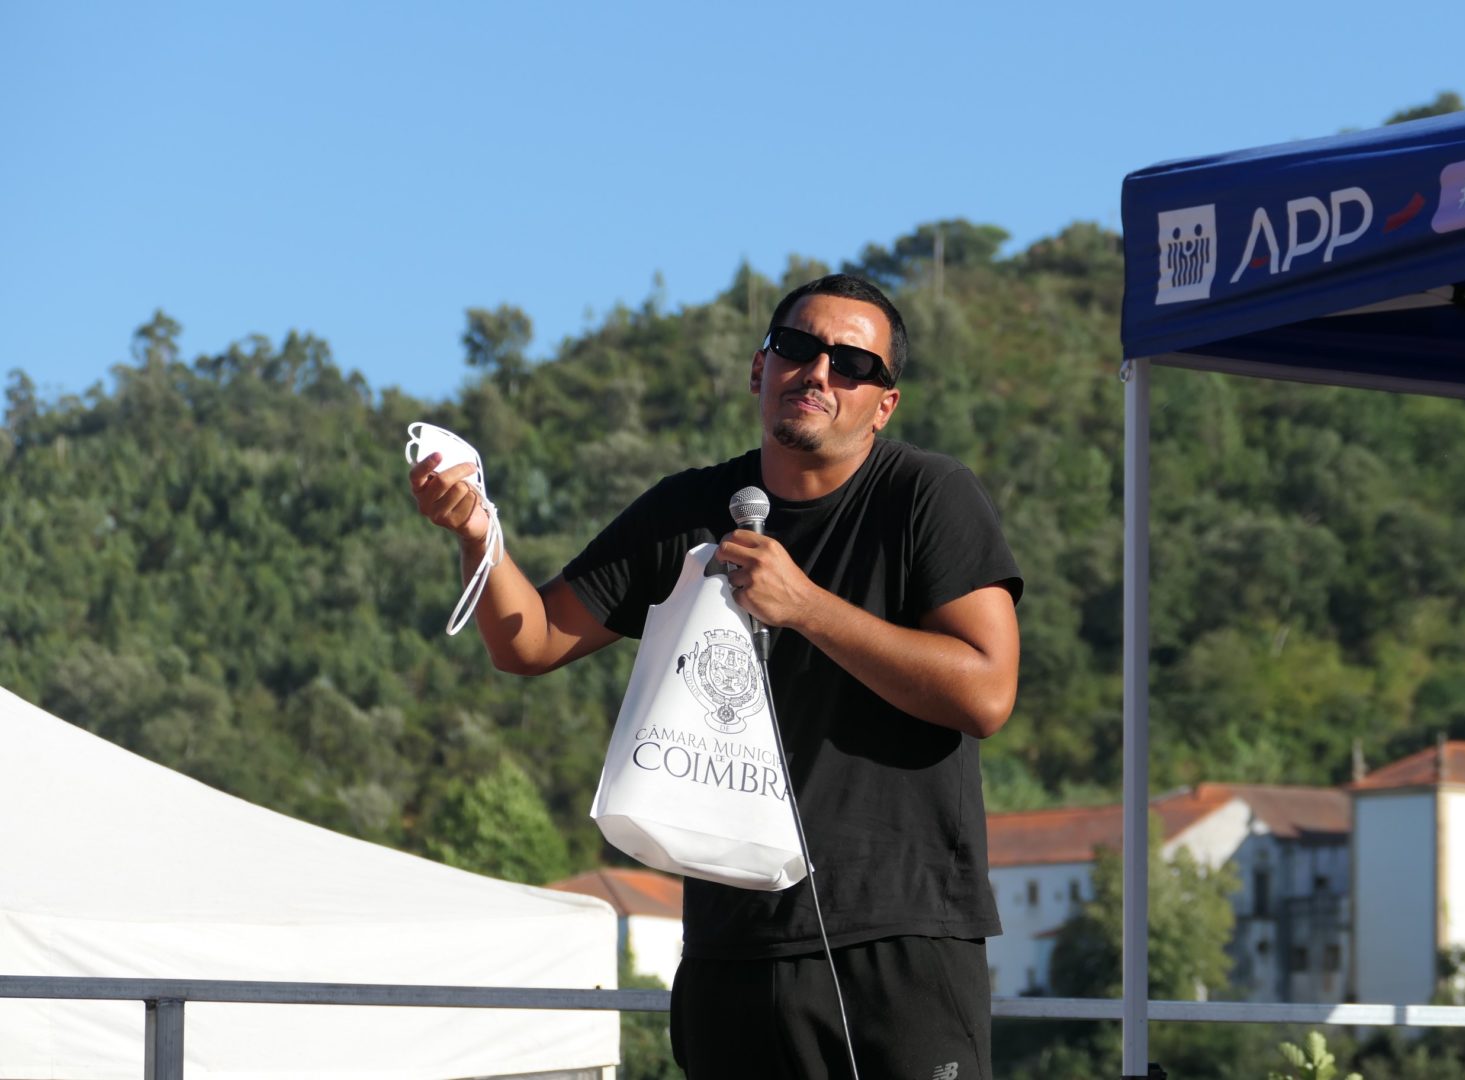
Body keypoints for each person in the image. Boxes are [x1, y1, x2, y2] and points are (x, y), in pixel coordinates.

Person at [410, 274, 1021, 1079]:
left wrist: (806, 606)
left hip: (899, 940)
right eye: (797, 348)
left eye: (852, 364)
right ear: (759, 368)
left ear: (884, 404)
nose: (818, 372)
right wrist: (476, 533)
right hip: (732, 948)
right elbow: (532, 641)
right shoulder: (688, 508)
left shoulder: (928, 496)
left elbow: (986, 692)